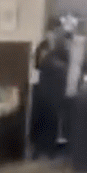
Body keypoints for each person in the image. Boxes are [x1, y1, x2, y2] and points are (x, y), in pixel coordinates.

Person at [29, 32, 69, 160]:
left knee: (40, 124)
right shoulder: (60, 61)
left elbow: (35, 76)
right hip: (54, 97)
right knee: (51, 125)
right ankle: (48, 151)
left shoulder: (45, 60)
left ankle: (39, 150)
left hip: (42, 96)